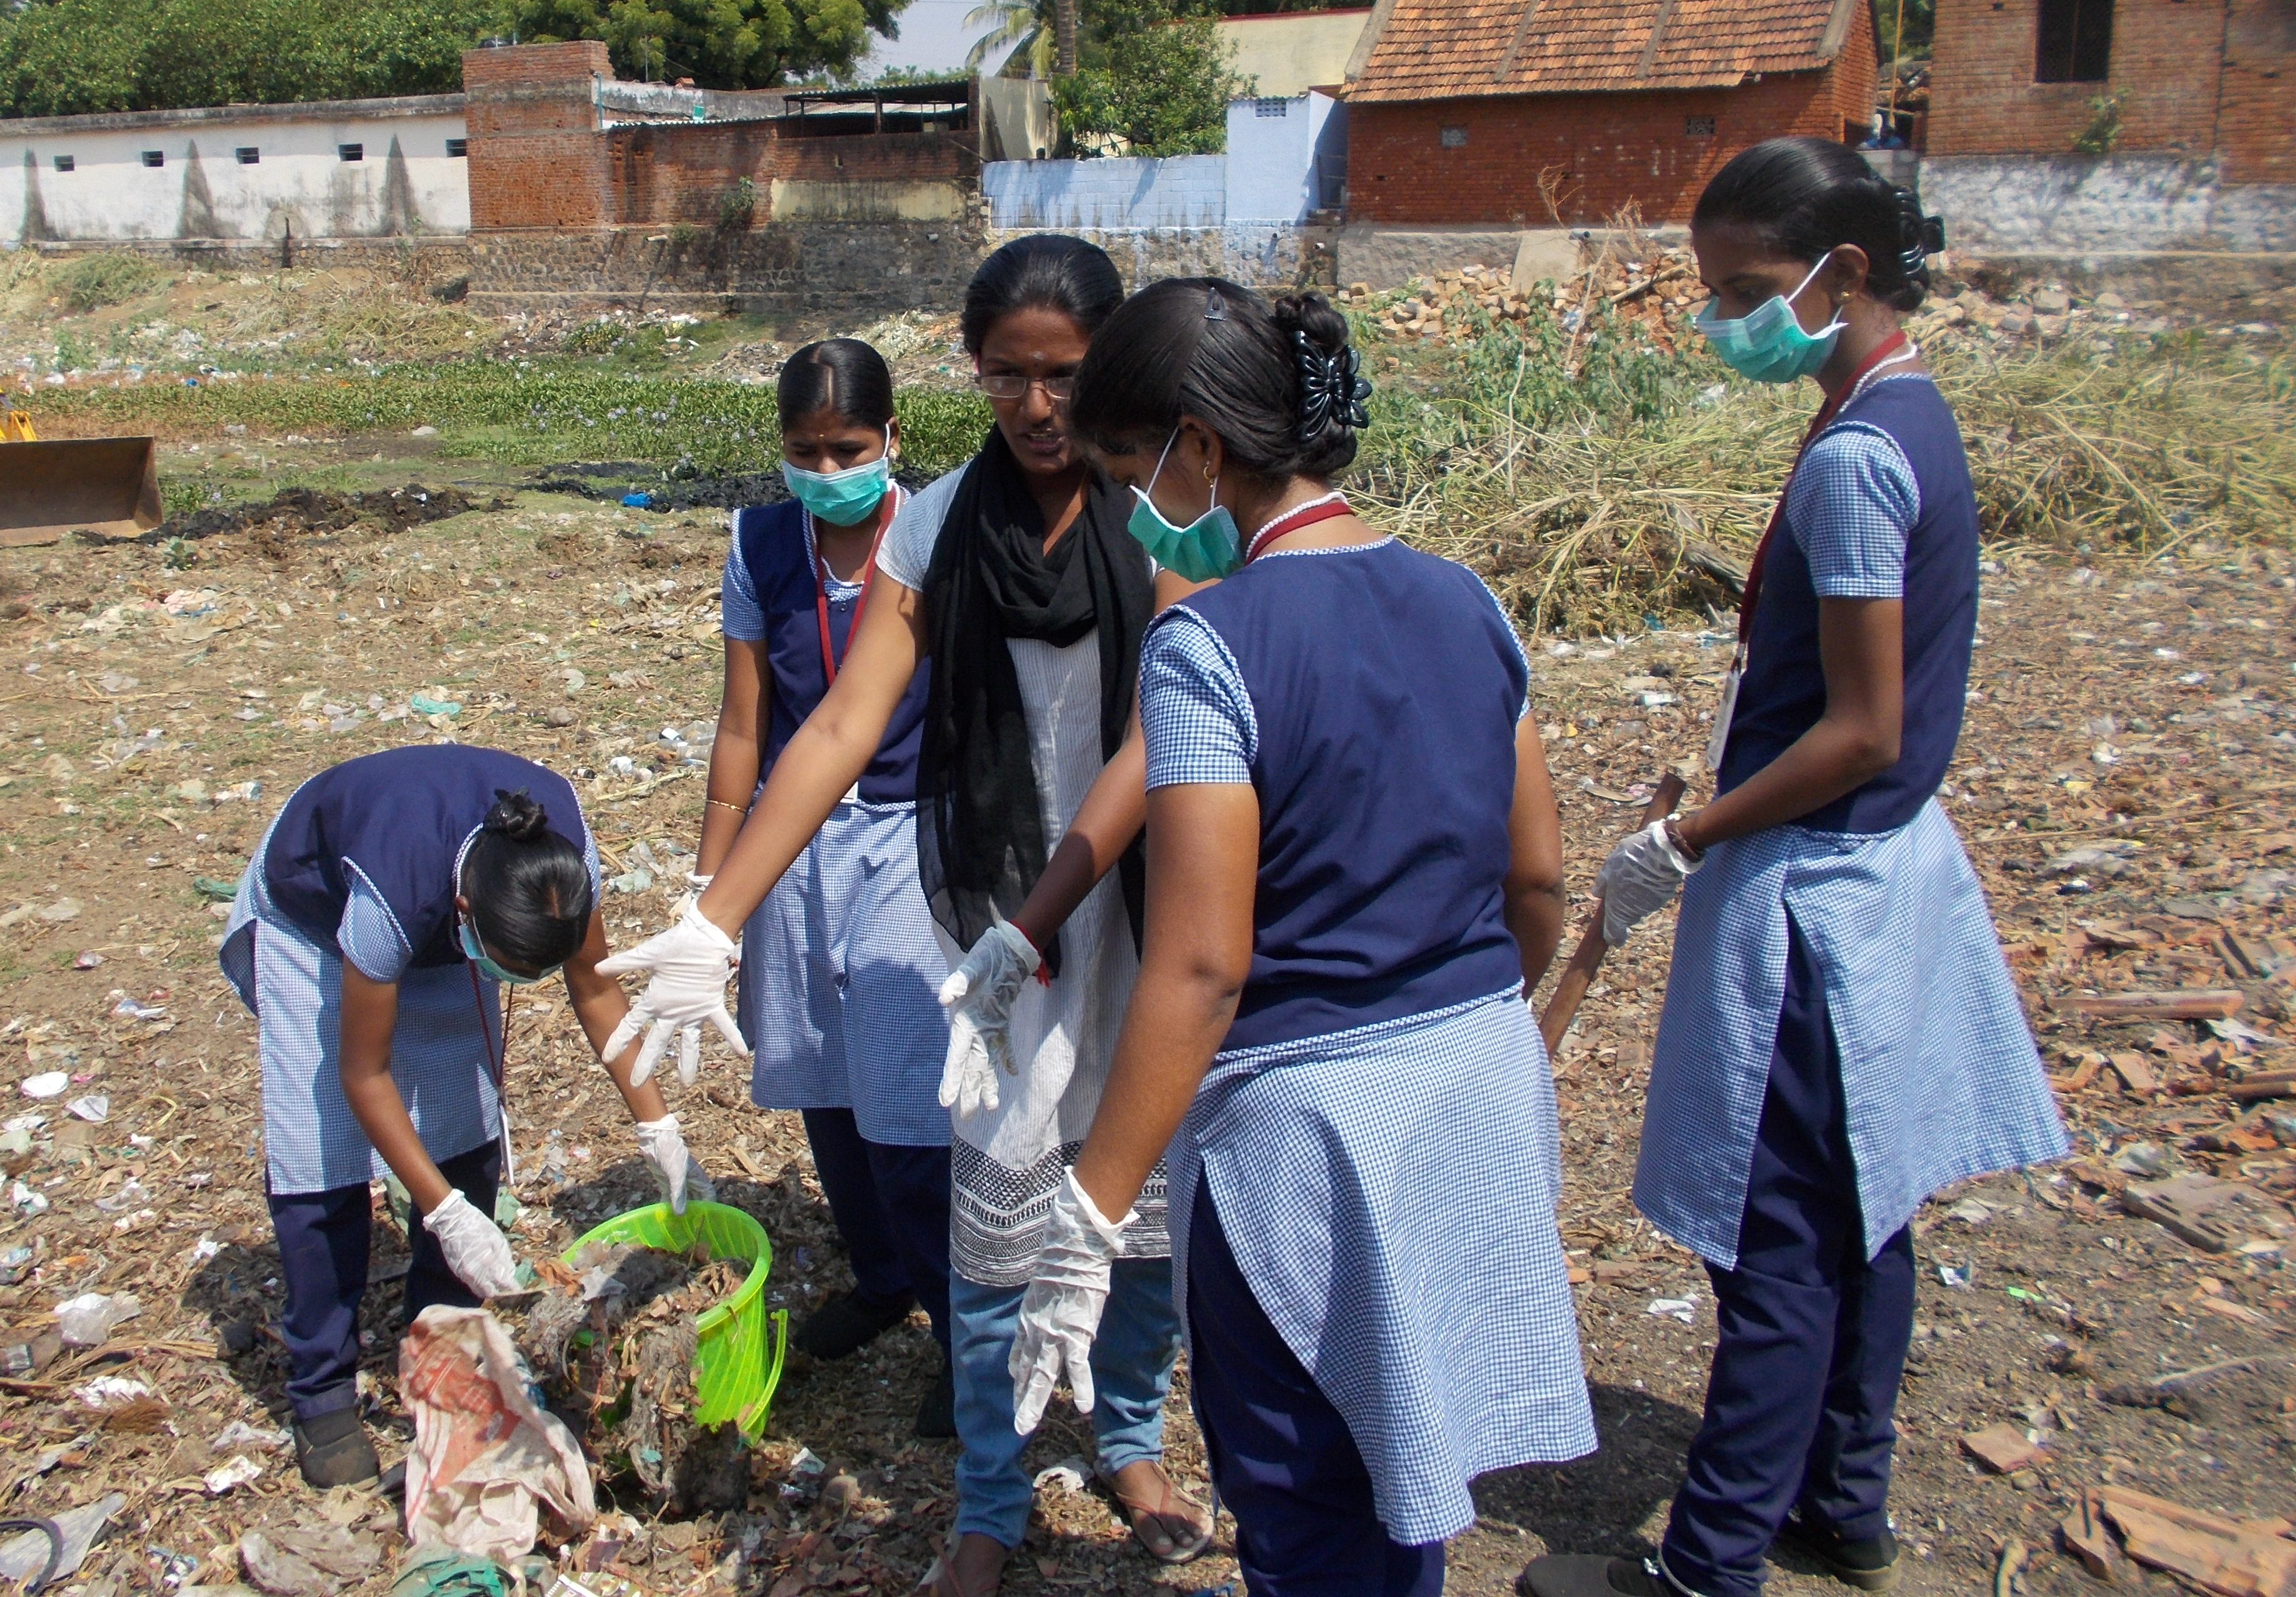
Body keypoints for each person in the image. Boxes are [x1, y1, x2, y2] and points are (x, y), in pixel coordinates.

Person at [596, 237, 1209, 1594]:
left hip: (1144, 902)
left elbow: (1167, 732)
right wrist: (716, 911)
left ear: (1107, 365)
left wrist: (1057, 904)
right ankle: (988, 1500)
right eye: (1009, 378)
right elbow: (839, 722)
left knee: (1144, 1210)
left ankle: (1129, 1437)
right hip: (983, 909)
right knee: (989, 1216)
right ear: (969, 366)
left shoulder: (1166, 510)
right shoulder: (939, 526)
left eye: (1064, 377)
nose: (1039, 409)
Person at [1520, 140, 2068, 1597]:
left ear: (1846, 273)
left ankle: (1707, 1564)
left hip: (1823, 895)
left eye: (1747, 290)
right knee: (1859, 1203)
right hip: (1874, 869)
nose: (1724, 320)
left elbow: (1864, 723)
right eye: (1711, 291)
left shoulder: (1855, 462)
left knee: (1776, 1242)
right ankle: (1844, 1498)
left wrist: (1684, 836)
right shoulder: (1902, 418)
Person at [1006, 279, 1592, 1596]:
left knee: (1303, 1487)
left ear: (1198, 447)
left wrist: (1088, 1211)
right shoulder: (1468, 599)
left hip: (1309, 1137)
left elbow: (1203, 964)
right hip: (1476, 1091)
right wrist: (1463, 1015)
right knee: (1413, 1452)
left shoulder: (1209, 644)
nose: (1128, 506)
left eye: (1127, 470)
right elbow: (1536, 876)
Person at [218, 746, 712, 1490]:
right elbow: (365, 1073)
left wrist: (659, 1130)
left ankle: (441, 1342)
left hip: (449, 922)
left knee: (463, 1132)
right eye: (515, 967)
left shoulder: (557, 864)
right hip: (317, 924)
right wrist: (445, 1214)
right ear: (465, 917)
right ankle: (321, 1391)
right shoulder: (395, 890)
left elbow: (597, 990)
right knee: (320, 1157)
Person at [700, 338, 958, 1435]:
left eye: (846, 447)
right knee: (819, 1077)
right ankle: (879, 1277)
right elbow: (744, 721)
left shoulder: (937, 535)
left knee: (909, 1100)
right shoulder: (761, 542)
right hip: (794, 841)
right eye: (802, 450)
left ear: (892, 439)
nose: (824, 466)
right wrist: (709, 892)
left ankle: (960, 1321)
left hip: (914, 836)